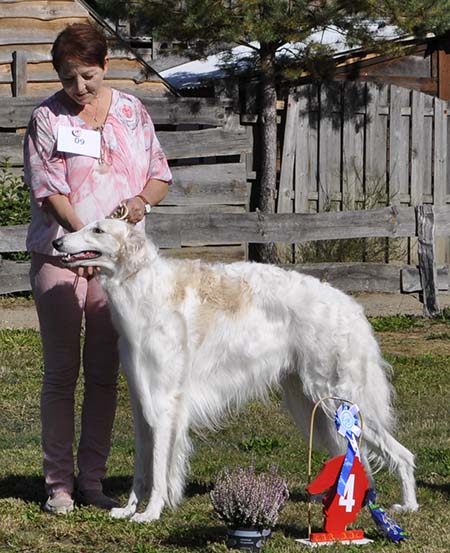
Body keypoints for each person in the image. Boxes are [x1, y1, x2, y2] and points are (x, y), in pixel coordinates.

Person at [24, 22, 172, 515]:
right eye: (68, 78)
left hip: (120, 267)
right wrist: (84, 242)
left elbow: (159, 176)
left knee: (106, 373)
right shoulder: (47, 118)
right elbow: (49, 190)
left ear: (106, 65)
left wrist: (140, 202)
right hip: (60, 255)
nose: (79, 87)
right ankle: (58, 485)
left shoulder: (133, 111)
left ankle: (92, 480)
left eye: (87, 76)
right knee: (61, 372)